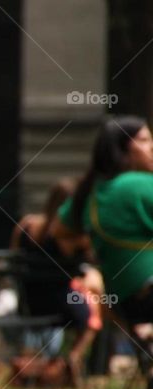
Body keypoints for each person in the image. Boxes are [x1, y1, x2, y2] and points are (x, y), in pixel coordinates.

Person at [56, 116, 153, 325]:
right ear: (122, 149)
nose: (152, 147)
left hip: (124, 302)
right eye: (144, 140)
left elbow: (60, 231)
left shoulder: (90, 192)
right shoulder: (137, 185)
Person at [11, 178, 105, 385]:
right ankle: (74, 357)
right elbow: (90, 259)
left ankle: (45, 367)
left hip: (28, 301)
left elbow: (14, 262)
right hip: (62, 303)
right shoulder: (70, 235)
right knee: (94, 303)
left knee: (89, 291)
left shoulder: (26, 225)